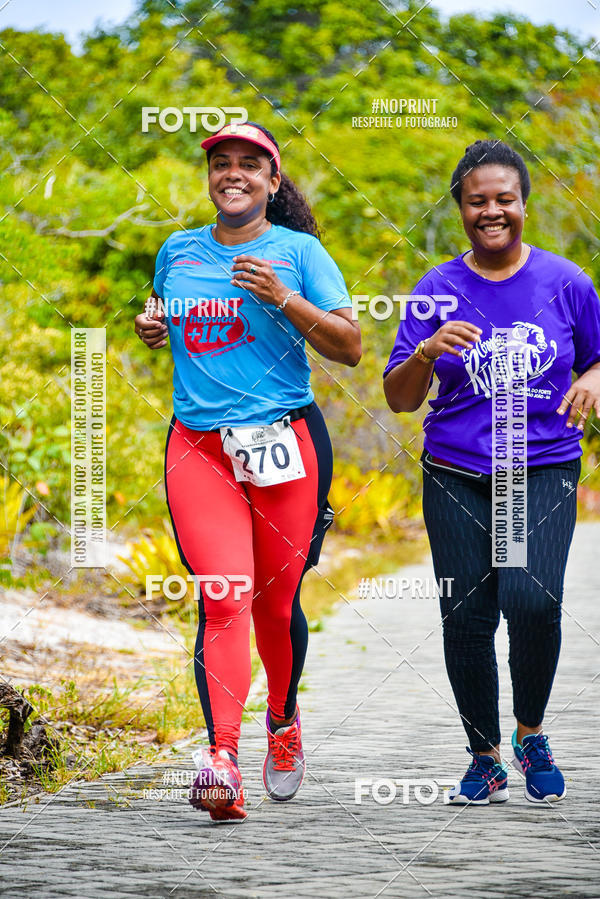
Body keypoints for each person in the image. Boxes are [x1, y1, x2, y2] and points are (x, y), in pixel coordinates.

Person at [135, 121, 361, 822]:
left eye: (248, 165)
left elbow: (350, 345)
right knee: (225, 595)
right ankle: (223, 758)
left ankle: (284, 721)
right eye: (220, 164)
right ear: (210, 176)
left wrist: (283, 299)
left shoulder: (299, 252)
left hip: (285, 444)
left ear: (272, 177)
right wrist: (155, 325)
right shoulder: (178, 250)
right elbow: (176, 321)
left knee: (273, 602)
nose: (232, 174)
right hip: (199, 448)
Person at [383, 139, 600, 805]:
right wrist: (425, 348)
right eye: (478, 200)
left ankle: (530, 731)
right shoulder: (435, 288)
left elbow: (598, 357)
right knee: (466, 613)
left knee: (531, 601)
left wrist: (593, 382)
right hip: (457, 470)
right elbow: (397, 394)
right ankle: (485, 756)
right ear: (461, 209)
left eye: (504, 198)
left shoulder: (567, 283)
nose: (492, 210)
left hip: (538, 467)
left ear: (525, 204)